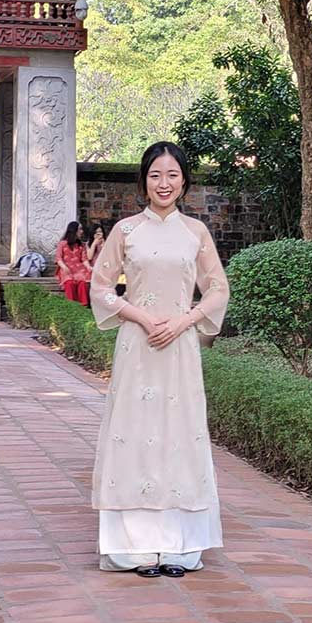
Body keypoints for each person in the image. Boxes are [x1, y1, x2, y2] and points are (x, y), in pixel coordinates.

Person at [89, 141, 229, 578]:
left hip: (180, 347)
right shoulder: (126, 231)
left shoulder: (196, 232)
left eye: (171, 175)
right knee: (134, 433)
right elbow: (100, 286)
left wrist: (185, 320)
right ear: (143, 181)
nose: (163, 183)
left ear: (184, 180)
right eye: (155, 175)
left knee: (178, 433)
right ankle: (132, 548)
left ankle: (179, 548)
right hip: (137, 345)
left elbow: (218, 289)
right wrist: (141, 316)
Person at [55, 221, 92, 306]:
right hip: (67, 268)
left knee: (82, 282)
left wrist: (89, 267)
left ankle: (84, 304)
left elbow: (84, 259)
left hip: (79, 268)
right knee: (69, 282)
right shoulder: (62, 243)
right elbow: (58, 258)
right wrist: (64, 267)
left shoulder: (80, 245)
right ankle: (71, 305)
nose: (82, 231)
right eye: (80, 229)